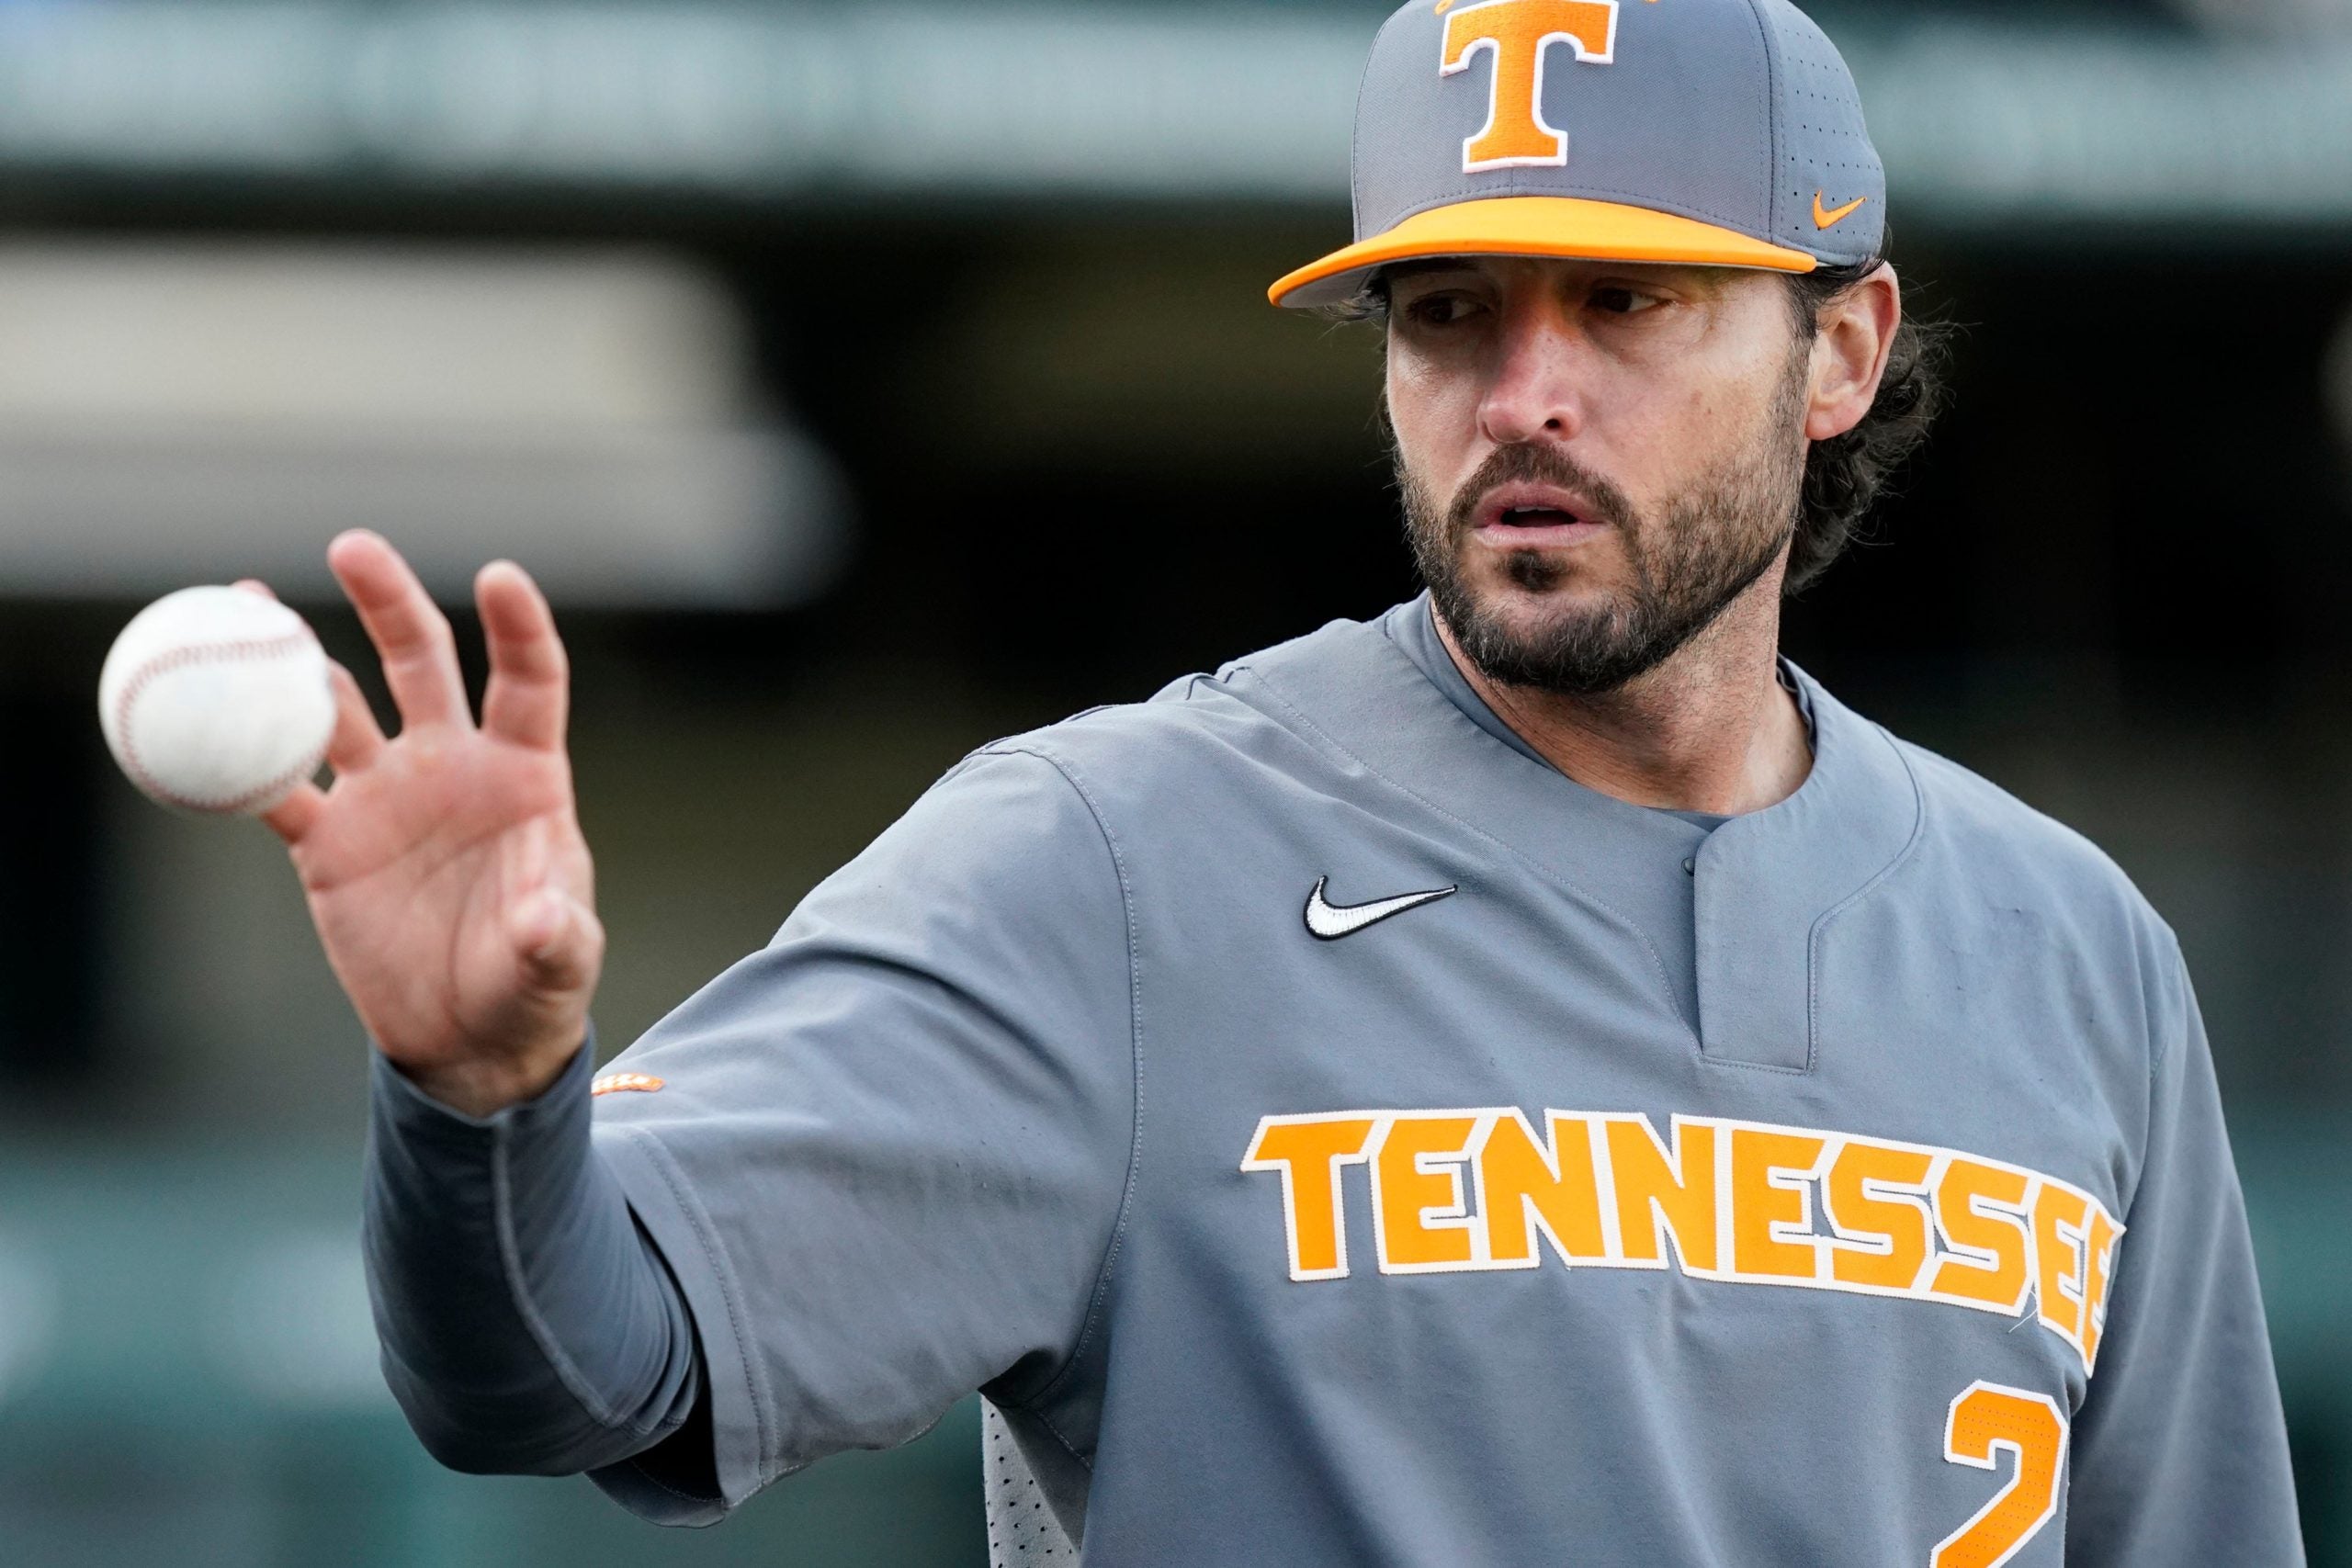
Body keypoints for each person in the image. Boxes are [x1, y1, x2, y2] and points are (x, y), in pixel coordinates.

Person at [269, 0, 2306, 1561]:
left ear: (1837, 351)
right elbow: (573, 1370)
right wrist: (481, 1102)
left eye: (1625, 301)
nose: (1521, 393)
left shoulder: (2068, 952)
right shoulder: (1112, 864)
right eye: (1444, 315)